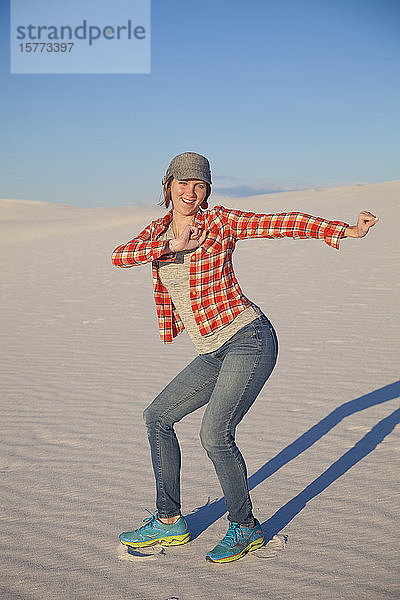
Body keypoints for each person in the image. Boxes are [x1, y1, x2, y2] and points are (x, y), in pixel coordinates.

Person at [111, 151, 378, 564]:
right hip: (211, 351)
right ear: (168, 187)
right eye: (183, 184)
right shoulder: (156, 233)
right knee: (157, 416)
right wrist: (171, 245)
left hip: (247, 338)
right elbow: (119, 256)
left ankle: (246, 527)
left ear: (207, 190)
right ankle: (169, 521)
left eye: (199, 185)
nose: (191, 192)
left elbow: (281, 222)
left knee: (214, 435)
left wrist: (345, 230)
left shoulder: (218, 223)